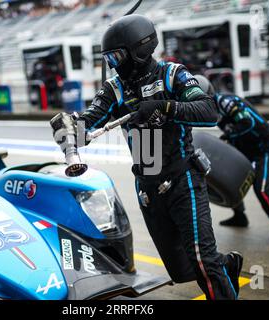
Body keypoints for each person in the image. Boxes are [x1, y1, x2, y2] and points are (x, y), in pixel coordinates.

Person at [51, 14, 243, 300]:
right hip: (148, 189)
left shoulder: (172, 74)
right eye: (108, 59)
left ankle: (218, 270)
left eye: (116, 56)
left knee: (204, 263)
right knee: (182, 271)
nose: (113, 64)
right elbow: (89, 121)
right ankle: (226, 265)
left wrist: (165, 108)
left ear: (139, 49)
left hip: (183, 181)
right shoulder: (114, 88)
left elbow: (208, 111)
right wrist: (67, 129)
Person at [195, 75, 269, 243]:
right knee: (229, 177)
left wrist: (226, 136)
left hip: (265, 144)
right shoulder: (212, 112)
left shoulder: (226, 102)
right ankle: (239, 216)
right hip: (244, 144)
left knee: (262, 189)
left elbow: (247, 123)